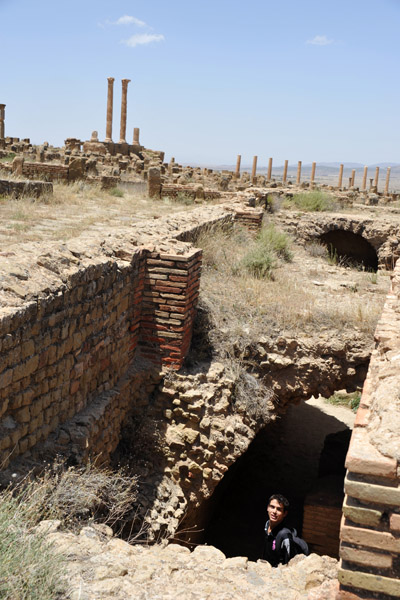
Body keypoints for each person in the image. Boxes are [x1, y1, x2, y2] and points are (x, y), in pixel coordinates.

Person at [262, 493, 294, 566]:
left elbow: (289, 565)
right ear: (267, 508)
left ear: (284, 513)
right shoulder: (267, 525)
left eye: (279, 509)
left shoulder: (285, 535)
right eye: (272, 507)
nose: (274, 512)